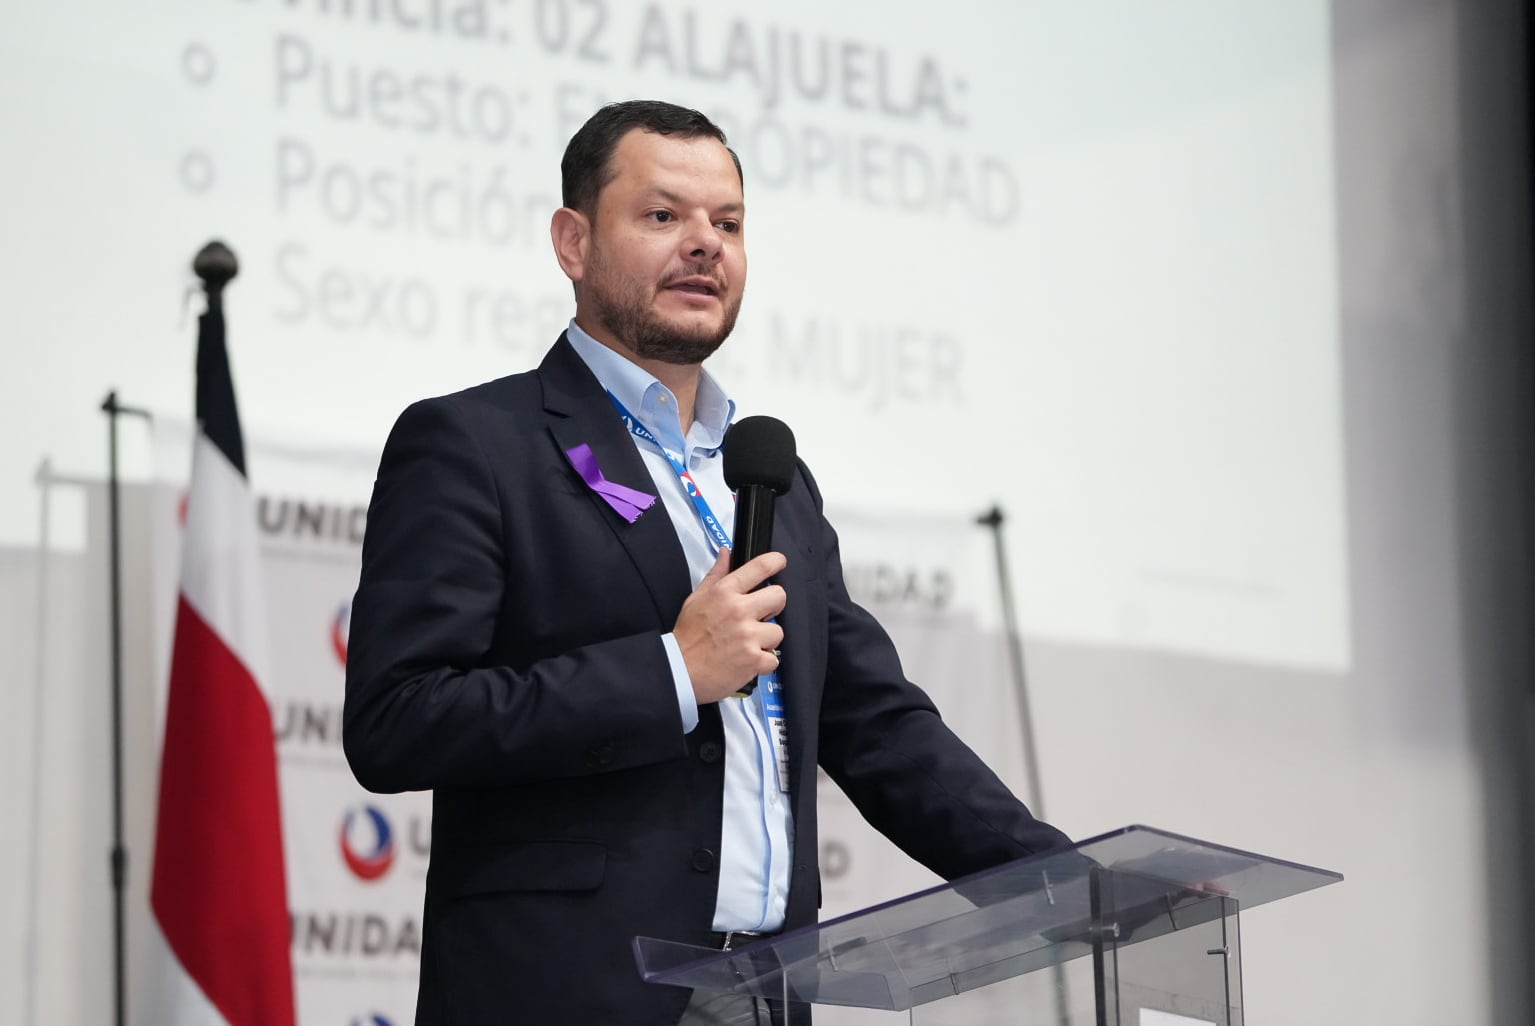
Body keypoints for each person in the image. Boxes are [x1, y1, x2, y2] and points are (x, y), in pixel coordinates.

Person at [343, 100, 1071, 1026]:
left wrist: (1056, 879)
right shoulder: (478, 444)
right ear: (573, 242)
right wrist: (670, 671)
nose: (704, 244)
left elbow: (872, 722)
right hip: (569, 994)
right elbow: (397, 719)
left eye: (726, 223)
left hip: (766, 992)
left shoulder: (769, 476)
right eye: (662, 216)